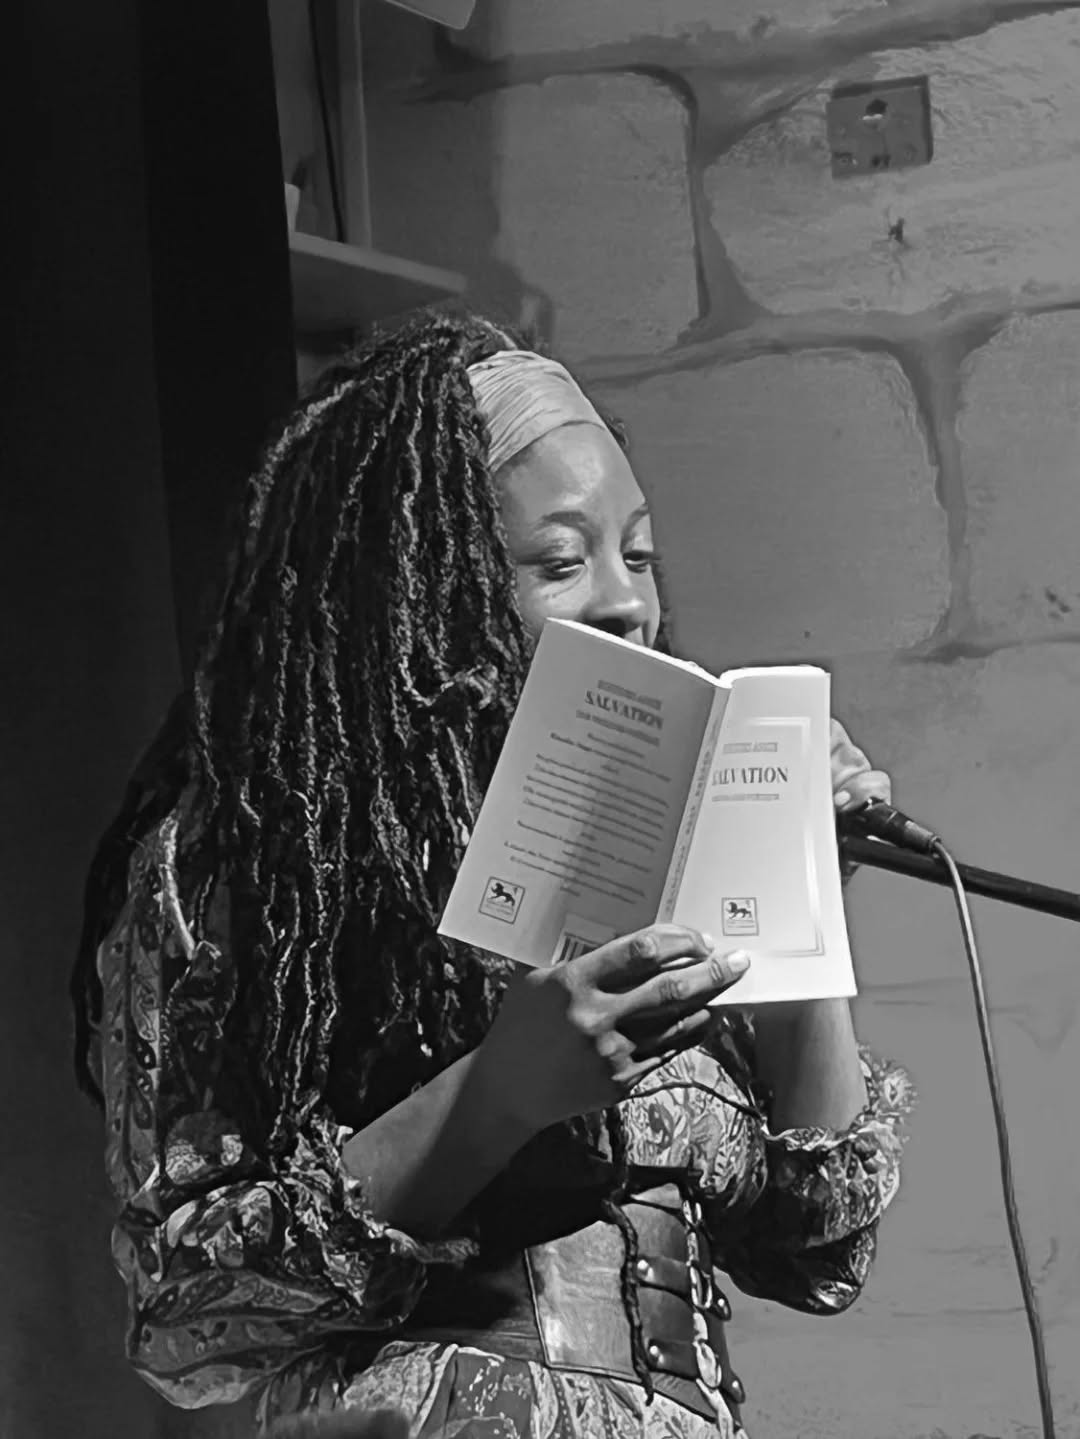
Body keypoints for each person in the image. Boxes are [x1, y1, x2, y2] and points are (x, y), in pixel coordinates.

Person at [72, 308, 915, 1439]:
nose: (626, 599)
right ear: (422, 583)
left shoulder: (662, 853)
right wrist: (499, 1091)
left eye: (639, 553)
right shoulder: (277, 862)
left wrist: (804, 904)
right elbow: (186, 1309)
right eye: (561, 561)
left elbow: (814, 1248)